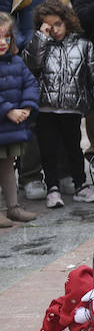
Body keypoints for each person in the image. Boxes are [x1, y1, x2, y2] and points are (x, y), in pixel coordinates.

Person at [26, 0, 94, 207]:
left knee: (73, 147)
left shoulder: (83, 45)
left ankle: (81, 185)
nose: (54, 30)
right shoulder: (40, 45)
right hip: (46, 107)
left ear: (67, 22)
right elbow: (30, 64)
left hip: (72, 108)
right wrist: (40, 37)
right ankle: (52, 188)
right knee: (48, 148)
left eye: (58, 24)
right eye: (48, 26)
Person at [0, 12, 37, 226]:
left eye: (6, 37)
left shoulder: (15, 61)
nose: (3, 42)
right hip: (5, 120)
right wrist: (8, 110)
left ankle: (13, 207)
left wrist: (26, 107)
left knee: (8, 165)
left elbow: (30, 84)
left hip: (10, 127)